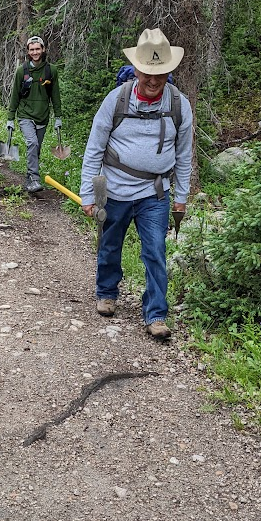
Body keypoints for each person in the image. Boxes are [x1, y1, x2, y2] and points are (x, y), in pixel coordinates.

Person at [79, 28, 193, 341]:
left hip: (155, 194)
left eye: (160, 74)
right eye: (148, 74)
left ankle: (156, 313)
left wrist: (181, 196)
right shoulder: (115, 100)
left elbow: (184, 156)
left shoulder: (179, 106)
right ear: (137, 69)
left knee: (155, 250)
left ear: (169, 70)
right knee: (110, 243)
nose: (153, 81)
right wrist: (88, 193)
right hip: (113, 188)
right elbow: (94, 149)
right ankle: (106, 292)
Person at [7, 35, 62, 193]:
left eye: (38, 49)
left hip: (43, 115)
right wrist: (10, 118)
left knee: (36, 149)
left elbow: (55, 95)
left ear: (43, 49)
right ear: (28, 51)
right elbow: (15, 96)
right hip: (25, 114)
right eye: (32, 49)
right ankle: (35, 179)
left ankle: (29, 178)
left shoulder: (50, 70)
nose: (35, 52)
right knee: (32, 143)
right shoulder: (21, 71)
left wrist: (58, 117)